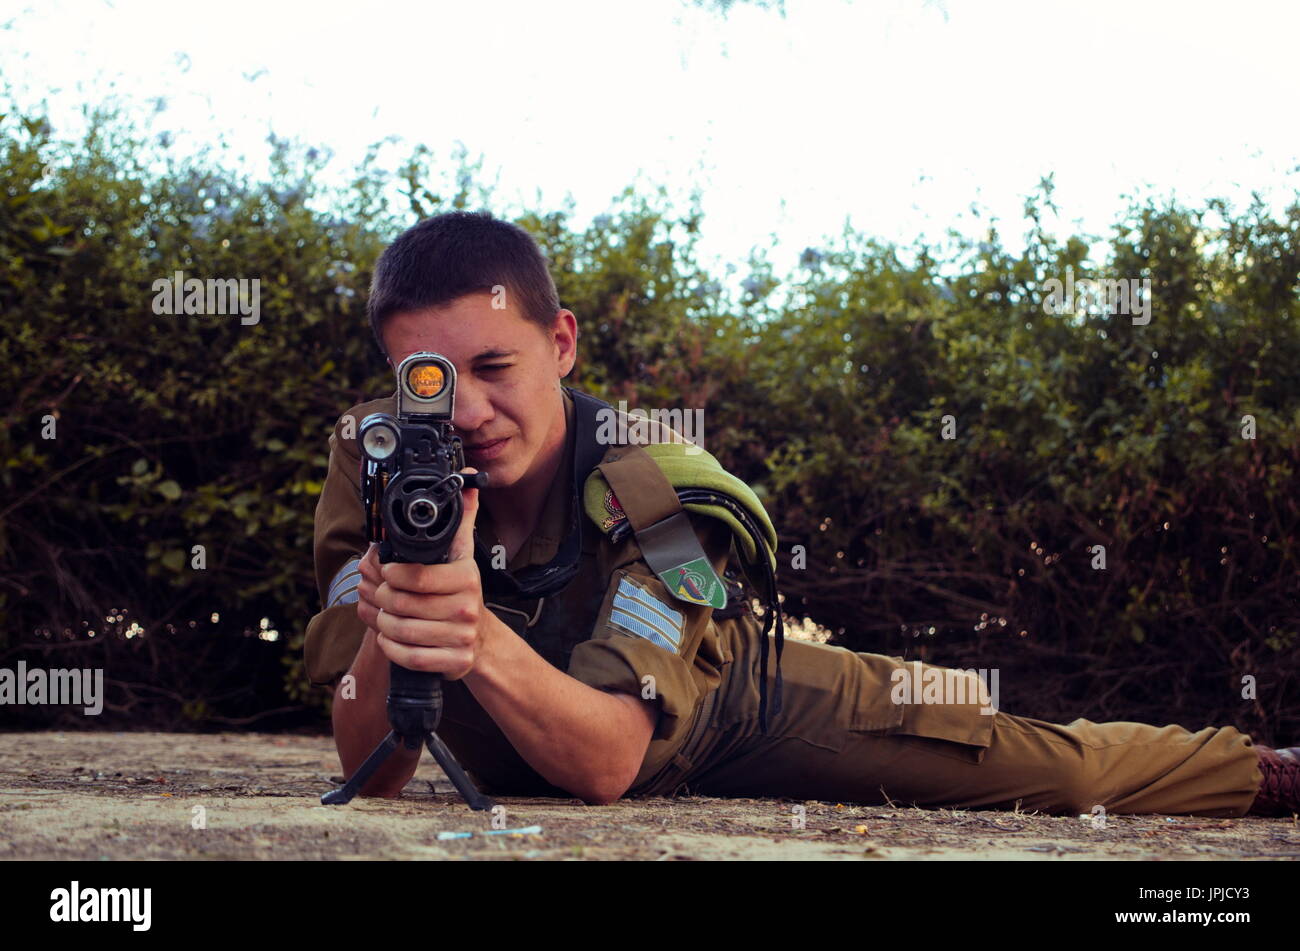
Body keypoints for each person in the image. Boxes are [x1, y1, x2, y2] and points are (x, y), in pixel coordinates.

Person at [303, 211, 1299, 817]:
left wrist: (471, 633)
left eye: (495, 367)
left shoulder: (651, 476)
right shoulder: (375, 453)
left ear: (560, 343)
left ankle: (1257, 772)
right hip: (522, 735)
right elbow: (369, 768)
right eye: (427, 381)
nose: (465, 414)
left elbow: (609, 761)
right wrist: (405, 614)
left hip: (734, 705)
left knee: (1044, 764)